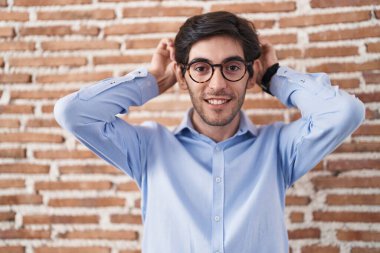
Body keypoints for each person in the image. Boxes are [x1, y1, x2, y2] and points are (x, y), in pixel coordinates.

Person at [54, 11, 365, 253]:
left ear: (249, 73)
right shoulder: (147, 148)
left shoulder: (279, 148)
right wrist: (150, 81)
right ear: (182, 74)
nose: (217, 85)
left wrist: (274, 76)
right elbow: (73, 113)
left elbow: (345, 113)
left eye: (232, 67)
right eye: (201, 68)